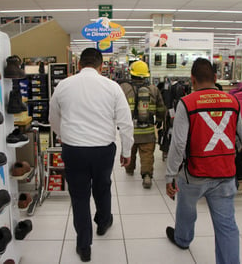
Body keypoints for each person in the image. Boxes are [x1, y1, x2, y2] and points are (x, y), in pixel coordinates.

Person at [49, 48, 134, 262]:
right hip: (103, 150)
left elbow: (53, 119)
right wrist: (126, 151)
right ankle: (103, 222)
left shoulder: (63, 86)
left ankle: (84, 246)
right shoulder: (112, 87)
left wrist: (64, 136)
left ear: (78, 65)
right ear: (101, 66)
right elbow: (125, 123)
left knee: (79, 197)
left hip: (74, 149)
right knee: (102, 186)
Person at [165, 58, 242, 264]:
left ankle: (182, 239)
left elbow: (178, 144)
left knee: (186, 209)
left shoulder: (187, 103)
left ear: (192, 80)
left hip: (194, 174)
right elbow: (240, 138)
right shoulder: (233, 102)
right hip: (225, 174)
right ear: (216, 78)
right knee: (227, 225)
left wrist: (170, 175)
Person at [120, 60, 166, 188]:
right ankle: (146, 176)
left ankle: (129, 169)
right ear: (146, 75)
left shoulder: (124, 88)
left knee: (130, 150)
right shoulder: (153, 89)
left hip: (129, 130)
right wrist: (160, 119)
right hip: (147, 129)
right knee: (147, 155)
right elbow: (161, 107)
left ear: (131, 74)